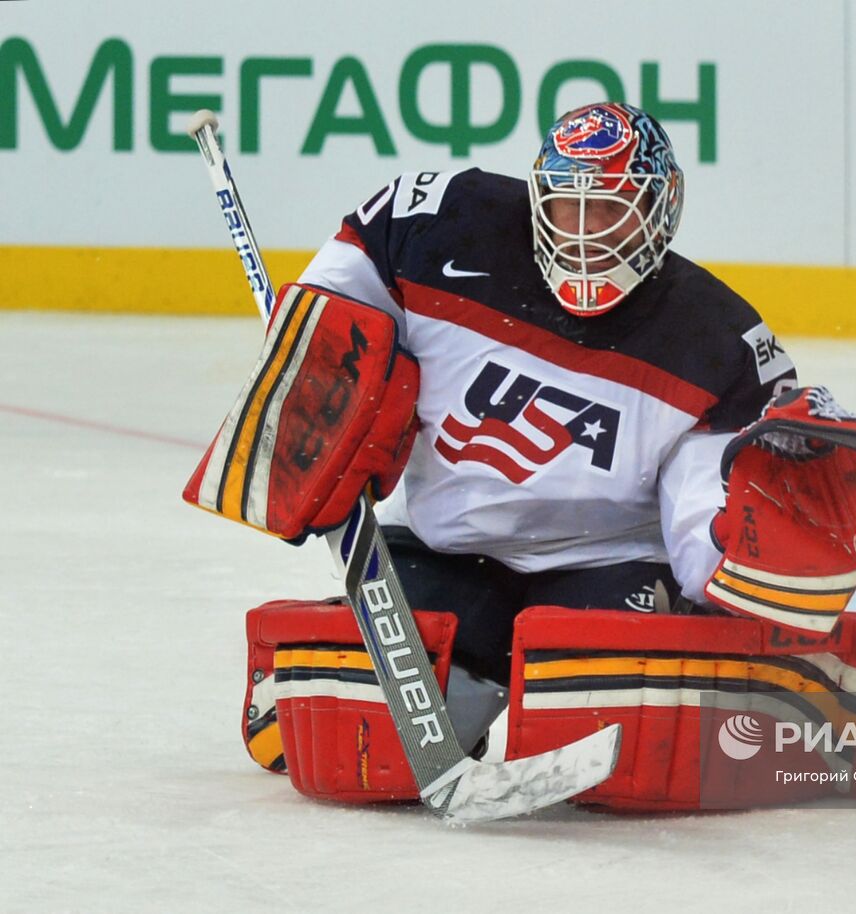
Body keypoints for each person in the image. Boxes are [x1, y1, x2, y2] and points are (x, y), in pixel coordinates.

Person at [295, 101, 798, 710]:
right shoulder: (440, 228)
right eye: (568, 206)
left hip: (609, 566)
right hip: (448, 548)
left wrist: (746, 572)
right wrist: (310, 378)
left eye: (610, 209)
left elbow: (704, 516)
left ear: (659, 212)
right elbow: (334, 306)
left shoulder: (718, 343)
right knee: (361, 741)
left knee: (609, 737)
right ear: (538, 201)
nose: (585, 234)